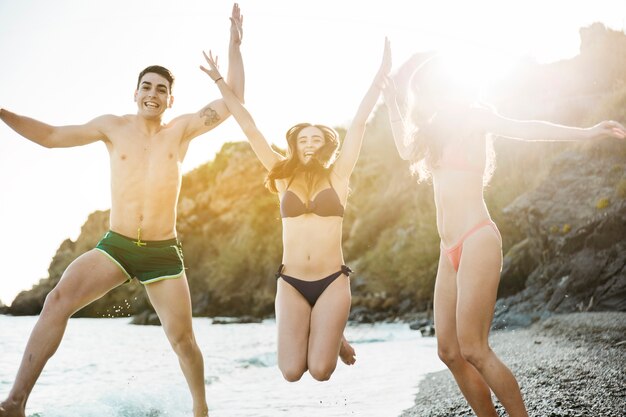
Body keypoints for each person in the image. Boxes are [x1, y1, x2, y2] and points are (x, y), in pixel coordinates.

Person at [0, 4, 245, 417]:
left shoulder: (182, 129)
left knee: (182, 340)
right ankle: (14, 403)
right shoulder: (112, 126)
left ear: (170, 99)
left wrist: (235, 45)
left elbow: (235, 99)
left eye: (161, 89)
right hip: (116, 247)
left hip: (162, 253)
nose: (153, 94)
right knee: (57, 299)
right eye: (146, 87)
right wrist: (2, 111)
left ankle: (201, 410)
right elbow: (51, 136)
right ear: (135, 93)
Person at [382, 52, 625, 417]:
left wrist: (587, 132)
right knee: (448, 351)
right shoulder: (432, 131)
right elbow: (404, 149)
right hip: (447, 249)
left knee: (474, 349)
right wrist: (391, 101)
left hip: (477, 238)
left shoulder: (476, 117)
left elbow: (530, 129)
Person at [199, 38, 391, 381]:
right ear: (294, 146)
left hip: (332, 280)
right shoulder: (281, 178)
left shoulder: (339, 176)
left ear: (327, 147)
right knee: (290, 372)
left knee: (320, 371)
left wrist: (379, 77)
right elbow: (248, 125)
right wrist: (219, 80)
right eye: (303, 140)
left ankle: (331, 333)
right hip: (291, 282)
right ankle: (329, 331)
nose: (310, 144)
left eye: (317, 139)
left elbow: (360, 123)